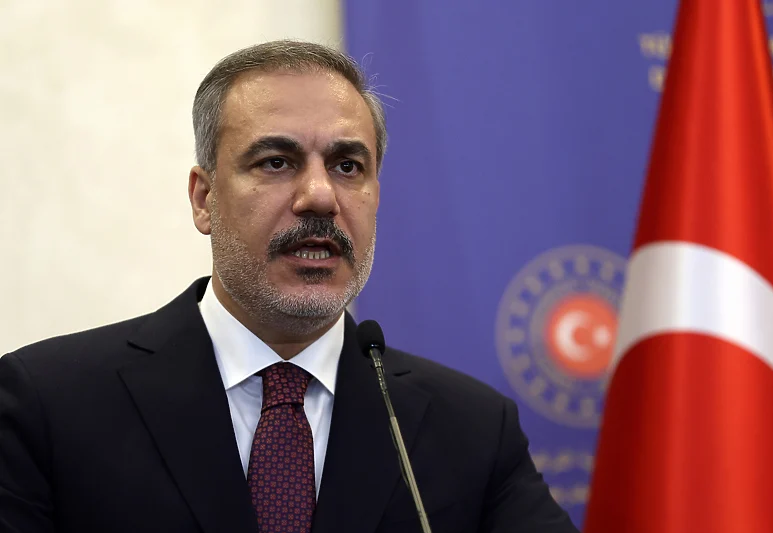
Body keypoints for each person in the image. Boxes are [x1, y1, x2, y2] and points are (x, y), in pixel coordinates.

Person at [0, 40, 578, 533]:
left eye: (348, 166)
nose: (320, 197)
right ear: (204, 198)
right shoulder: (48, 403)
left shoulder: (472, 429)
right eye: (276, 162)